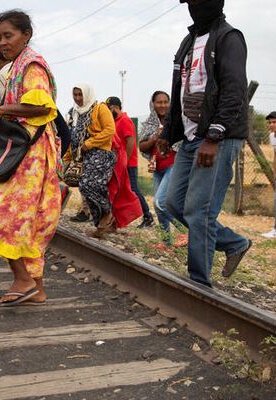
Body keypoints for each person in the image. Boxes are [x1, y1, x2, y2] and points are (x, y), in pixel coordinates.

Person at [0, 9, 60, 307]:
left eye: (9, 36)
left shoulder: (31, 66)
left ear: (26, 35)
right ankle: (36, 288)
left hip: (31, 156)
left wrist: (3, 110)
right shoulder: (19, 65)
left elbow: (42, 106)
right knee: (30, 221)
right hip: (30, 153)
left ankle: (23, 279)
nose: (3, 42)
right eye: (0, 37)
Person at [160, 0, 252, 288]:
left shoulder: (228, 38)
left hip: (216, 137)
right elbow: (180, 91)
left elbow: (235, 90)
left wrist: (214, 136)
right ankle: (234, 243)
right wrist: (167, 133)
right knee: (171, 203)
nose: (195, 5)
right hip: (190, 136)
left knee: (199, 211)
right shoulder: (189, 42)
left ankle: (199, 284)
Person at [66, 84, 117, 237]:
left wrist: (89, 143)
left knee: (88, 184)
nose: (78, 98)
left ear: (87, 94)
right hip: (83, 156)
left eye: (80, 94)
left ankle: (107, 213)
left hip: (100, 153)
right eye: (75, 94)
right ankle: (101, 225)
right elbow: (71, 135)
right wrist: (67, 157)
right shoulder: (74, 112)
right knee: (85, 188)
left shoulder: (99, 108)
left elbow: (110, 129)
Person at [106, 96, 155, 228]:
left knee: (133, 189)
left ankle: (148, 217)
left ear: (115, 107)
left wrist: (125, 161)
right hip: (119, 163)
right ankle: (118, 218)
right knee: (120, 191)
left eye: (109, 108)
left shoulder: (125, 121)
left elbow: (131, 142)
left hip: (128, 163)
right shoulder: (115, 121)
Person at [138, 91, 180, 243]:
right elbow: (142, 146)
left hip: (174, 165)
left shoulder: (177, 121)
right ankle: (166, 242)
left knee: (160, 202)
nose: (163, 105)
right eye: (159, 102)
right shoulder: (150, 124)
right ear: (153, 104)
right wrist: (155, 137)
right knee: (158, 206)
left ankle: (184, 231)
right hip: (158, 168)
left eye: (165, 102)